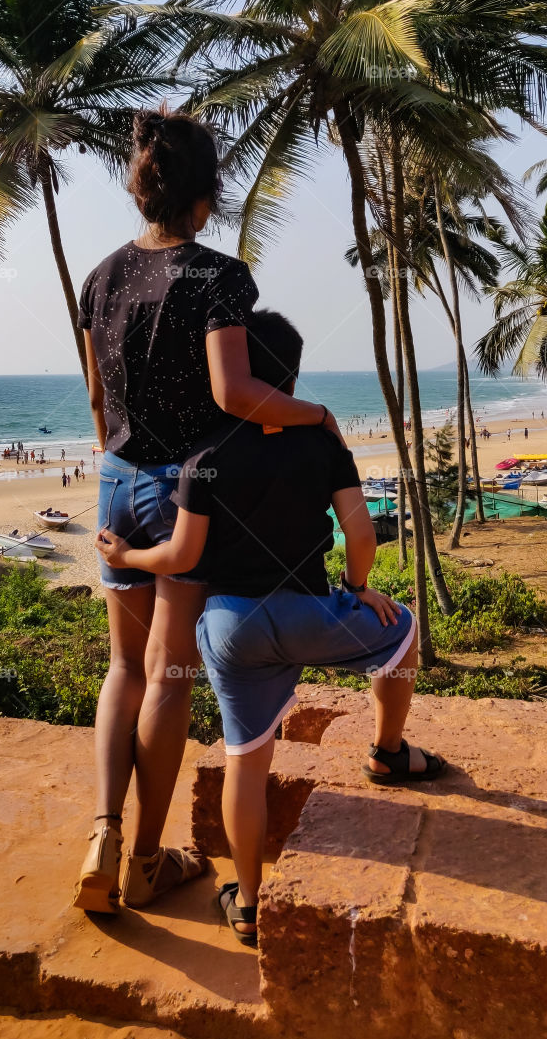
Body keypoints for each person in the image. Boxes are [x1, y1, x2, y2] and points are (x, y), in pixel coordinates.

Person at [96, 310, 446, 945]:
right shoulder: (321, 443)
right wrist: (359, 588)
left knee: (245, 765)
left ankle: (250, 903)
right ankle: (390, 751)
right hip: (310, 612)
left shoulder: (204, 456)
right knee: (402, 637)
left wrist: (124, 558)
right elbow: (360, 534)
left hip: (232, 628)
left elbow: (178, 558)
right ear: (288, 377)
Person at [73, 108, 346, 916]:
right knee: (169, 675)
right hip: (179, 487)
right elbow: (234, 391)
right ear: (205, 197)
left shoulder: (100, 277)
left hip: (116, 482)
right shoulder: (220, 278)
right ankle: (147, 860)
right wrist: (314, 416)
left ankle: (101, 831)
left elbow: (96, 395)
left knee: (121, 668)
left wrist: (116, 454)